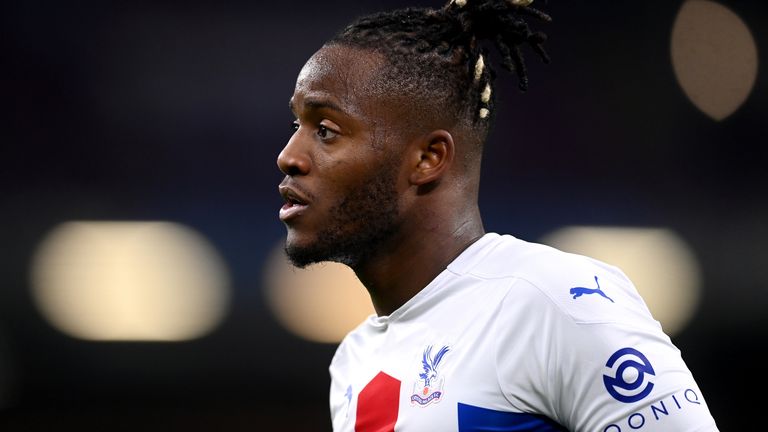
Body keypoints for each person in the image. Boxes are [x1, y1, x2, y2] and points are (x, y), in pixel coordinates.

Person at [276, 0, 720, 430]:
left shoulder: (553, 303)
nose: (288, 157)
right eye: (298, 126)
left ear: (428, 158)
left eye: (326, 131)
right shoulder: (353, 364)